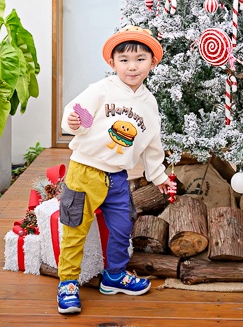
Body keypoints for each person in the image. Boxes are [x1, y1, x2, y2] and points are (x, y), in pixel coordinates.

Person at [56, 25, 176, 314]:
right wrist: (72, 123)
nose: (132, 67)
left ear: (152, 62)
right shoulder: (100, 90)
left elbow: (151, 145)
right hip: (85, 170)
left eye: (139, 59)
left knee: (123, 227)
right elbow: (75, 115)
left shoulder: (149, 103)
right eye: (124, 60)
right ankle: (68, 283)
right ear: (112, 63)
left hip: (119, 178)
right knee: (75, 228)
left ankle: (114, 276)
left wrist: (158, 176)